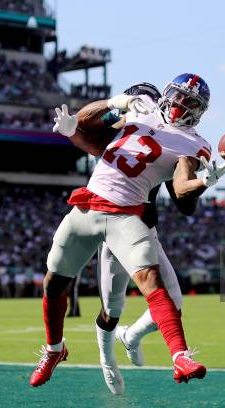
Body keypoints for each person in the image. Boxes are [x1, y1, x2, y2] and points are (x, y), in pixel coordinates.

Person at [29, 73, 225, 387]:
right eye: (178, 96)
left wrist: (203, 182)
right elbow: (89, 126)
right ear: (167, 93)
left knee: (153, 284)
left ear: (199, 110)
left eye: (189, 102)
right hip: (87, 206)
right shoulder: (141, 109)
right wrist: (111, 104)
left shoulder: (195, 143)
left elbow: (180, 189)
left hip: (128, 216)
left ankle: (180, 356)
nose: (180, 105)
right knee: (54, 283)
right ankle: (55, 349)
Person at [91, 82, 197, 394]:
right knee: (111, 309)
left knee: (172, 304)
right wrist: (116, 110)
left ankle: (131, 336)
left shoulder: (170, 140)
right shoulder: (123, 129)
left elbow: (183, 202)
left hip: (144, 230)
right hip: (112, 230)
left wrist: (199, 181)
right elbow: (97, 129)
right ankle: (107, 359)